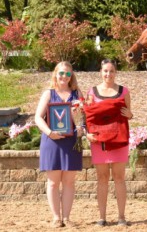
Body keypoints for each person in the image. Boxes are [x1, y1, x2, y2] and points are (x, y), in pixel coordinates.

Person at [85, 59, 133, 227]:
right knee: (102, 177)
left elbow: (128, 114)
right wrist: (87, 134)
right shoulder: (92, 92)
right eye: (105, 71)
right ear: (101, 71)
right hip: (99, 141)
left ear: (116, 72)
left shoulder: (124, 91)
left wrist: (130, 115)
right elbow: (88, 116)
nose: (108, 74)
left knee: (119, 177)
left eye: (111, 71)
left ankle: (121, 217)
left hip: (119, 139)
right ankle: (102, 217)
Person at [35, 61, 84, 228]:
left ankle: (67, 218)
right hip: (52, 141)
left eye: (67, 74)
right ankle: (56, 218)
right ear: (55, 74)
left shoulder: (77, 94)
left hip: (71, 142)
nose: (64, 76)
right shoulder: (48, 94)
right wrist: (49, 132)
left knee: (69, 182)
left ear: (71, 76)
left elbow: (83, 118)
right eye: (61, 73)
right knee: (53, 182)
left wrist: (81, 128)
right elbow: (38, 118)